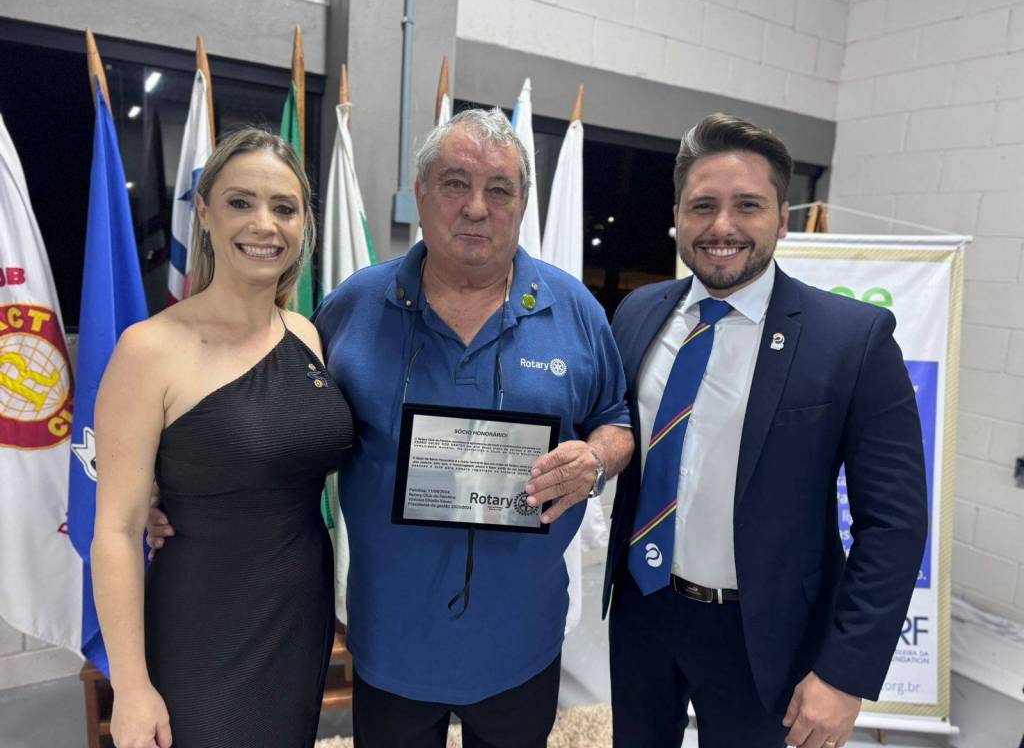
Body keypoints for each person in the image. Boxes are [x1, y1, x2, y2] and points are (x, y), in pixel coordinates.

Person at [149, 108, 634, 746]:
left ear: (521, 204)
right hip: (390, 642)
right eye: (455, 183)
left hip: (522, 641)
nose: (477, 207)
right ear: (422, 194)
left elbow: (615, 420)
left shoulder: (575, 310)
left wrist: (595, 461)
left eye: (499, 190)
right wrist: (169, 486)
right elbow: (271, 422)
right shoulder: (351, 309)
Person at [603, 113, 928, 748]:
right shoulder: (639, 313)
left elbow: (894, 524)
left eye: (747, 205)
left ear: (782, 219)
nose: (721, 226)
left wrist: (844, 674)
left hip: (766, 636)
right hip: (643, 609)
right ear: (678, 216)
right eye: (703, 206)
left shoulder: (852, 339)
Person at [92, 128, 353, 748]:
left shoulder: (308, 335)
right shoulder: (148, 350)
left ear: (304, 225)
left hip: (299, 612)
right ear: (205, 213)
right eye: (241, 202)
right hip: (202, 625)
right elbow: (117, 532)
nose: (264, 224)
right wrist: (131, 688)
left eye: (284, 208)